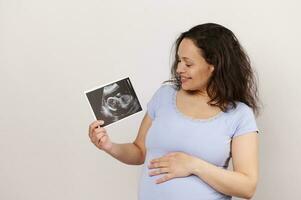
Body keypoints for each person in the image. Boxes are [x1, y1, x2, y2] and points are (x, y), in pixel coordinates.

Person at [88, 23, 260, 200]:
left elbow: (247, 187)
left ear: (213, 65)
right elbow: (139, 151)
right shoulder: (164, 96)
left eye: (188, 63)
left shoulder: (239, 115)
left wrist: (193, 165)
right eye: (179, 60)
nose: (179, 69)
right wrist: (109, 146)